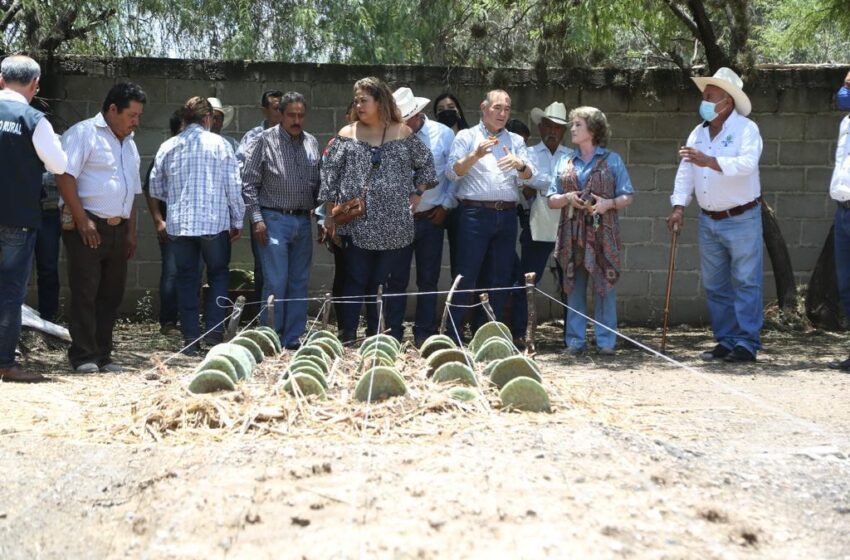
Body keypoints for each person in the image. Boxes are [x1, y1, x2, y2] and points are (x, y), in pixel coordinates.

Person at [319, 77, 436, 343]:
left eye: (364, 100)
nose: (359, 105)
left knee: (382, 285)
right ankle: (348, 335)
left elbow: (427, 167)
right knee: (354, 281)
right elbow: (329, 178)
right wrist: (329, 215)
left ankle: (381, 335)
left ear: (379, 101)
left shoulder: (402, 133)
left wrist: (417, 193)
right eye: (356, 100)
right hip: (356, 224)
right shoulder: (346, 134)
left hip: (394, 226)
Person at [666, 67, 763, 363]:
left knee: (746, 281)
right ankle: (727, 339)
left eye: (710, 96)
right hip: (709, 219)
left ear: (727, 102)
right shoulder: (698, 132)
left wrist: (709, 161)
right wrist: (679, 206)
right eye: (705, 96)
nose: (704, 101)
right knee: (715, 284)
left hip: (742, 216)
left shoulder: (747, 130)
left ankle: (746, 342)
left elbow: (747, 164)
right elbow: (686, 171)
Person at [57, 82, 145, 373]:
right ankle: (83, 356)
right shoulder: (84, 133)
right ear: (112, 109)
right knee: (85, 291)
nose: (136, 122)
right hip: (88, 226)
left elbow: (132, 190)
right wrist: (82, 220)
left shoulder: (130, 145)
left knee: (111, 294)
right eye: (132, 115)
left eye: (138, 116)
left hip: (119, 230)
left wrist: (131, 231)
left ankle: (103, 355)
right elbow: (65, 176)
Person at [149, 97, 244, 353]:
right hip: (214, 224)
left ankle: (190, 339)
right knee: (218, 275)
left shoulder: (168, 146)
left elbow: (156, 187)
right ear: (207, 119)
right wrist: (237, 219)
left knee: (187, 280)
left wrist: (179, 200)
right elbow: (233, 187)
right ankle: (214, 334)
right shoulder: (221, 145)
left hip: (180, 226)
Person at [445, 89, 534, 343]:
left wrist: (522, 166)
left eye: (506, 109)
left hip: (506, 216)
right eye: (497, 108)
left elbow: (532, 176)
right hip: (473, 214)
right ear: (484, 108)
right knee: (465, 277)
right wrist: (475, 155)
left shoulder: (516, 140)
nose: (502, 113)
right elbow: (452, 173)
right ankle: (452, 337)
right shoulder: (466, 136)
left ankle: (487, 338)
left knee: (499, 279)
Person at [0, 55, 67, 383]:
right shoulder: (34, 119)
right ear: (35, 85)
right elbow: (58, 164)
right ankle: (6, 364)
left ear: (0, 80)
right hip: (18, 216)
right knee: (11, 291)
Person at [547, 106, 634, 355]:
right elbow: (551, 199)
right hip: (572, 234)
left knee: (604, 286)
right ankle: (575, 341)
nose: (571, 128)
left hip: (602, 233)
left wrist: (608, 204)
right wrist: (567, 198)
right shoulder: (565, 160)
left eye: (577, 124)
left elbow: (628, 195)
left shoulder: (612, 160)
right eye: (572, 124)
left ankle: (606, 342)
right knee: (573, 285)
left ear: (593, 130)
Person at [242, 91, 319, 349]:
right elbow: (249, 183)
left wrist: (322, 218)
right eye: (291, 115)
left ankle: (293, 337)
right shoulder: (263, 141)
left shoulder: (311, 142)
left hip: (302, 221)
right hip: (273, 219)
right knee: (276, 281)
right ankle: (270, 337)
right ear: (281, 114)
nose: (297, 120)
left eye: (301, 115)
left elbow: (317, 185)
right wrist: (256, 219)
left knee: (299, 281)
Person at [385, 87, 456, 346]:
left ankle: (424, 331)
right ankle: (392, 332)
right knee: (396, 279)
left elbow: (454, 176)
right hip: (398, 221)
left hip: (430, 219)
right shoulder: (390, 136)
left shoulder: (444, 135)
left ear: (417, 115)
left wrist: (446, 207)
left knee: (428, 279)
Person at [511, 102, 571, 343]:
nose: (553, 130)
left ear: (564, 130)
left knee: (569, 281)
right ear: (540, 126)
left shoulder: (571, 156)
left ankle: (572, 336)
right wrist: (550, 186)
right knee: (528, 280)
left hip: (567, 226)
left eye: (558, 127)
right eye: (548, 125)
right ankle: (520, 332)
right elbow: (521, 182)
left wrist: (538, 183)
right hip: (536, 224)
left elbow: (534, 181)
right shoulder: (529, 154)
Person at [236, 89, 283, 313]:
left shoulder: (294, 135)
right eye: (275, 108)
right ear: (264, 110)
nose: (280, 112)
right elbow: (242, 174)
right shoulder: (253, 137)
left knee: (287, 269)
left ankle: (282, 316)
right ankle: (263, 316)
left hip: (289, 212)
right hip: (263, 211)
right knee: (264, 267)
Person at [143, 111, 182, 335]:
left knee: (193, 271)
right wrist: (159, 220)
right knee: (171, 271)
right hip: (170, 219)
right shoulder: (166, 149)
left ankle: (187, 320)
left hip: (193, 222)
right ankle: (168, 322)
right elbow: (150, 188)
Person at [828, 70, 850, 371]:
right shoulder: (846, 122)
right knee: (846, 286)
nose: (843, 92)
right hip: (843, 209)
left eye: (848, 87)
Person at [36, 171, 62, 322]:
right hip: (20, 212)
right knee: (15, 270)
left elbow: (63, 174)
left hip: (49, 212)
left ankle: (48, 319)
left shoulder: (59, 146)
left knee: (48, 268)